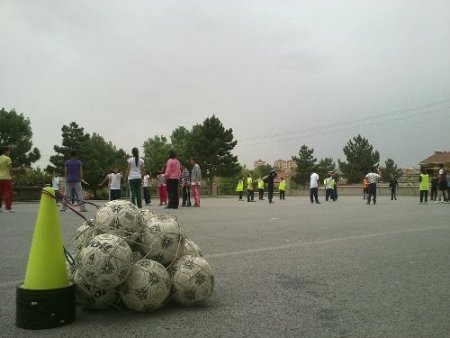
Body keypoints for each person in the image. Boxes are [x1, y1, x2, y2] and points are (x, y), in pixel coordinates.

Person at [0, 146, 15, 212]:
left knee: (0, 192)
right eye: (8, 151)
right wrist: (12, 176)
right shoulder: (8, 159)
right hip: (7, 178)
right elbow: (10, 169)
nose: (9, 152)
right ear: (5, 151)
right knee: (8, 193)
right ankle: (8, 207)